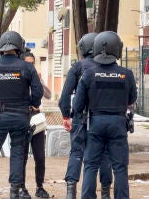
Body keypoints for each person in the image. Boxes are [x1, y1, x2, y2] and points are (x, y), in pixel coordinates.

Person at [73, 31, 137, 199]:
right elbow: (132, 99)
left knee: (91, 165)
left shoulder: (88, 73)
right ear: (117, 49)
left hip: (96, 123)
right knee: (120, 168)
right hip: (118, 123)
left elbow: (77, 105)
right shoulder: (126, 74)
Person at [0, 31, 44, 199]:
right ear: (19, 47)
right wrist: (30, 103)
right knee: (17, 152)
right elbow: (38, 92)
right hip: (20, 117)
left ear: (2, 47)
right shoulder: (27, 67)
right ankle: (14, 192)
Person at [58, 33, 113, 199]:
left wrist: (66, 116)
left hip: (80, 118)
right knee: (104, 154)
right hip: (103, 118)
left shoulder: (78, 67)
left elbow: (65, 96)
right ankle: (105, 193)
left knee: (76, 152)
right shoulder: (110, 67)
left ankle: (71, 192)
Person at [19, 50, 51, 198]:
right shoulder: (18, 77)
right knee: (22, 155)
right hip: (23, 118)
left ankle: (40, 186)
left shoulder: (36, 77)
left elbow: (49, 95)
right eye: (27, 63)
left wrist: (41, 81)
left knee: (40, 156)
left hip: (37, 119)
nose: (30, 66)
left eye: (32, 63)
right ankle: (21, 187)